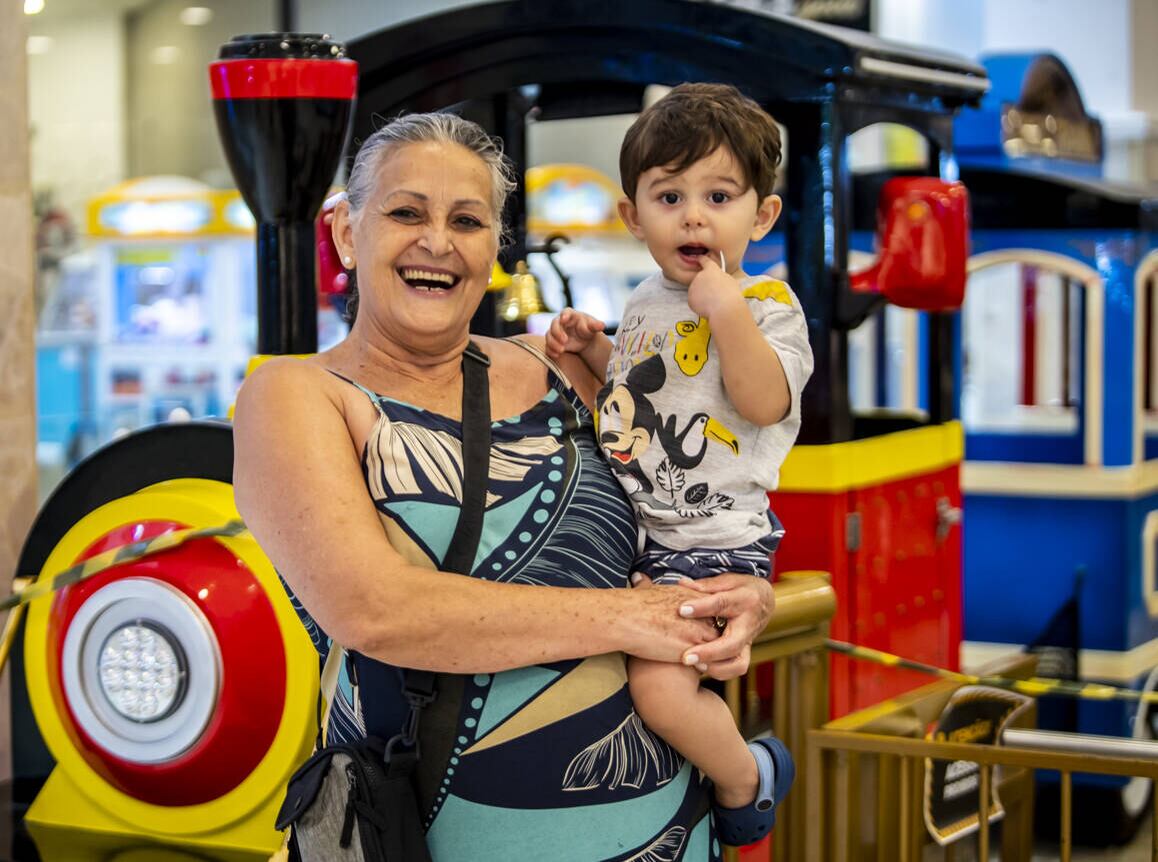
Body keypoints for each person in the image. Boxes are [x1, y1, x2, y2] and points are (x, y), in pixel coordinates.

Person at [233, 110, 780, 861]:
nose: (437, 241)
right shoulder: (296, 394)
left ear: (494, 247)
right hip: (425, 833)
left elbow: (689, 495)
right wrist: (633, 618)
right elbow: (377, 610)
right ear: (346, 233)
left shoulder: (567, 365)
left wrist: (746, 597)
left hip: (667, 831)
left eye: (467, 219)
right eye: (404, 212)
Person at [546, 83, 814, 844]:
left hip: (713, 541)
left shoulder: (768, 305)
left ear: (760, 215)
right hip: (642, 532)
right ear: (633, 217)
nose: (694, 215)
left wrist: (723, 306)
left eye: (719, 194)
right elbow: (634, 400)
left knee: (661, 689)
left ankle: (747, 776)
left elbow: (763, 402)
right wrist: (593, 352)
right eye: (669, 195)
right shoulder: (640, 301)